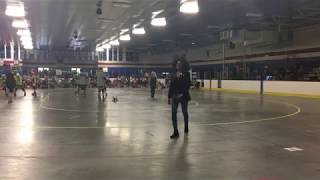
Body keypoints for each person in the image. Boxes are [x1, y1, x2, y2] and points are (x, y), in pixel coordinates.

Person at [168, 58, 191, 139]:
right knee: (173, 114)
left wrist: (182, 94)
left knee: (185, 112)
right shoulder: (173, 74)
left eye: (179, 64)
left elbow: (188, 85)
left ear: (182, 65)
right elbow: (171, 86)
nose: (178, 65)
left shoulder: (187, 74)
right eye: (177, 64)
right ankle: (175, 131)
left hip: (184, 96)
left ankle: (186, 126)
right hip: (174, 97)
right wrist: (169, 97)